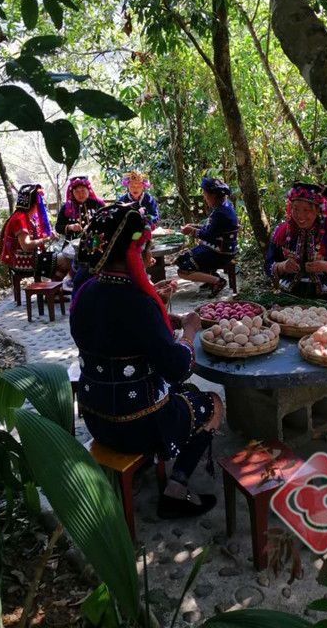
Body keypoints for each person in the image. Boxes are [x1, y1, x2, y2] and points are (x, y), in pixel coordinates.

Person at [70, 203, 223, 518]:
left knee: (185, 393)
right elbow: (178, 368)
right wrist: (189, 331)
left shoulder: (84, 292)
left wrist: (165, 318)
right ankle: (176, 491)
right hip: (136, 426)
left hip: (96, 418)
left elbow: (118, 333)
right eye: (147, 250)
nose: (150, 259)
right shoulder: (138, 303)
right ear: (133, 252)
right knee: (212, 403)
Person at [264, 181, 327, 305]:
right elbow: (268, 265)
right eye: (295, 209)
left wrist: (326, 267)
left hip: (326, 300)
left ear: (318, 210)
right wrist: (282, 266)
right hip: (288, 299)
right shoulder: (282, 233)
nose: (300, 215)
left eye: (306, 210)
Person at [176, 177, 238, 297]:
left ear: (213, 195)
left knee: (183, 271)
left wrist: (192, 231)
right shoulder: (224, 207)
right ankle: (210, 278)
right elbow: (213, 229)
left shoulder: (221, 213)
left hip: (220, 254)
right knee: (181, 260)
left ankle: (217, 281)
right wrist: (194, 226)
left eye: (205, 194)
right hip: (215, 248)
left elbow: (208, 235)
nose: (204, 197)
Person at [0, 184, 63, 277]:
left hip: (28, 258)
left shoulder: (29, 218)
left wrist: (48, 235)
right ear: (35, 203)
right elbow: (26, 246)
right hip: (21, 261)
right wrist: (47, 239)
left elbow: (35, 238)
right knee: (64, 261)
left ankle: (55, 285)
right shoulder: (20, 219)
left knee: (61, 262)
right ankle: (57, 286)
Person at [55, 175, 105, 239]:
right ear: (72, 193)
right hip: (73, 243)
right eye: (77, 192)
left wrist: (92, 226)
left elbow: (106, 222)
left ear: (88, 190)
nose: (80, 194)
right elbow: (58, 227)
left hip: (96, 242)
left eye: (83, 190)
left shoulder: (97, 205)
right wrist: (70, 227)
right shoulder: (66, 208)